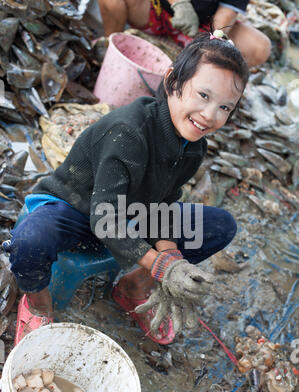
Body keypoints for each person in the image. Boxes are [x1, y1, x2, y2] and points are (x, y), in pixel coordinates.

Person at [3, 32, 249, 346]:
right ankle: (37, 304)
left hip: (131, 214)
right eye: (203, 95)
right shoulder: (129, 132)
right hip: (74, 210)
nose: (211, 115)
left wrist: (172, 258)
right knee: (28, 241)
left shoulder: (193, 146)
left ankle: (133, 288)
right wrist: (161, 264)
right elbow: (105, 220)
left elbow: (163, 204)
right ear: (172, 80)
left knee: (218, 226)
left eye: (225, 107)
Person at [97, 0, 271, 68]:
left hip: (199, 27)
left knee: (259, 48)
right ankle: (110, 50)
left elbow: (227, 13)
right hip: (155, 10)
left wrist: (214, 39)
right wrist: (179, 3)